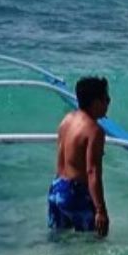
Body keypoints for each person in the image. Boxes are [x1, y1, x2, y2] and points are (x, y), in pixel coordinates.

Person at [49, 76, 111, 237]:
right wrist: (100, 210)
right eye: (106, 98)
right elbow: (92, 172)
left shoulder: (67, 120)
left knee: (59, 243)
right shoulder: (94, 131)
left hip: (56, 188)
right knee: (94, 243)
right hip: (76, 193)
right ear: (95, 102)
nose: (108, 103)